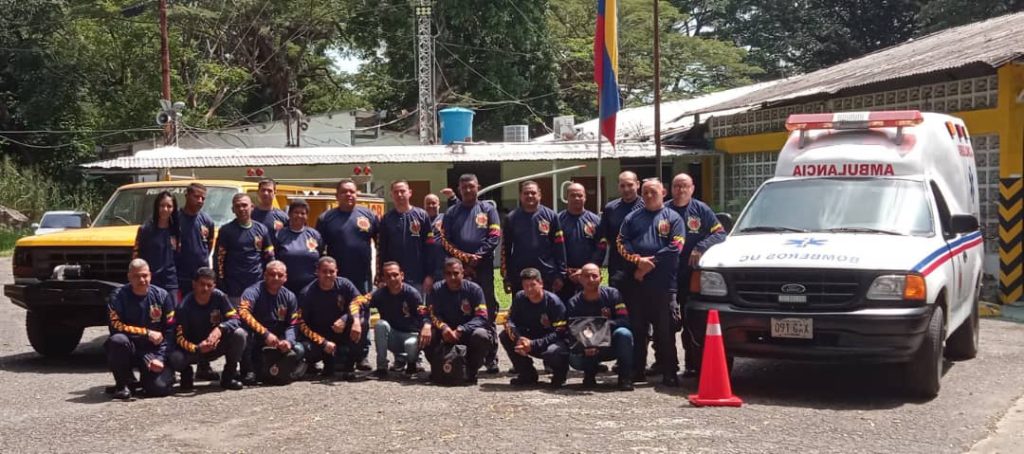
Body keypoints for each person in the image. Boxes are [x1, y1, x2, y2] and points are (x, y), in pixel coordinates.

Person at [617, 178, 685, 387]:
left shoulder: (673, 218)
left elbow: (677, 246)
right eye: (645, 192)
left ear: (663, 192)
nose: (648, 195)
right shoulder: (632, 218)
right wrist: (638, 262)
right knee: (637, 330)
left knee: (664, 332)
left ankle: (669, 372)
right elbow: (621, 243)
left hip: (662, 285)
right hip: (636, 283)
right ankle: (637, 371)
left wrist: (651, 263)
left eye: (652, 191)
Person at [438, 174, 502, 373]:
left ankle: (491, 357)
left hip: (482, 269)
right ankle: (458, 354)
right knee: (460, 308)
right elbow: (445, 240)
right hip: (459, 270)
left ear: (478, 187)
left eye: (471, 186)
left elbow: (494, 235)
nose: (467, 190)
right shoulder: (451, 213)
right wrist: (463, 262)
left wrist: (478, 257)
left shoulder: (488, 210)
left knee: (487, 310)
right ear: (459, 188)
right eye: (463, 187)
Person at [667, 173, 726, 377]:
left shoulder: (701, 209)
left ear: (692, 188)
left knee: (692, 322)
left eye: (685, 186)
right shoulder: (664, 210)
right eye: (676, 186)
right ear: (671, 188)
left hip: (692, 277)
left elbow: (719, 233)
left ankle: (692, 364)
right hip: (669, 276)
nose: (680, 190)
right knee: (667, 323)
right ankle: (666, 365)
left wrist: (701, 247)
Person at [318, 178, 378, 370]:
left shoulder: (368, 215)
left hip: (362, 276)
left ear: (357, 194)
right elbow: (319, 251)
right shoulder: (326, 218)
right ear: (337, 195)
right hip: (335, 278)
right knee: (337, 314)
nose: (349, 195)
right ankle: (340, 354)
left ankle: (362, 355)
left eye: (352, 191)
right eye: (344, 192)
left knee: (362, 315)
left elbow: (380, 244)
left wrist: (379, 271)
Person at [104, 259, 176, 400]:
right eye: (136, 276)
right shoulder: (117, 296)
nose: (142, 280)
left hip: (153, 351)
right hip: (130, 347)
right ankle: (122, 385)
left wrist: (161, 358)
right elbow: (115, 326)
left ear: (150, 275)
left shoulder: (162, 296)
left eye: (145, 275)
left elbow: (170, 330)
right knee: (117, 341)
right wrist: (146, 333)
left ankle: (149, 380)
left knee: (158, 389)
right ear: (129, 277)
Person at [168, 267, 246, 391]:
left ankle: (228, 376)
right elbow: (179, 338)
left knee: (240, 334)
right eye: (202, 284)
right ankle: (186, 374)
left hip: (215, 345)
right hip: (194, 349)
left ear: (214, 286)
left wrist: (220, 329)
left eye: (209, 285)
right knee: (175, 357)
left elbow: (235, 319)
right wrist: (198, 348)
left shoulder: (220, 297)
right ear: (194, 284)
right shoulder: (184, 307)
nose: (205, 289)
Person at [174, 182, 219, 381]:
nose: (200, 201)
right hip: (181, 279)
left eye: (203, 198)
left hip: (202, 281)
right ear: (187, 195)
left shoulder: (207, 221)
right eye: (196, 197)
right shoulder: (175, 219)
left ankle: (204, 363)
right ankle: (182, 366)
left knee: (204, 320)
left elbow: (208, 248)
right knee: (182, 321)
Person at [297, 256, 368, 381]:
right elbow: (301, 324)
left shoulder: (345, 284)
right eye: (324, 271)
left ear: (337, 271)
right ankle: (322, 363)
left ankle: (349, 367)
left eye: (332, 271)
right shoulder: (307, 293)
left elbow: (359, 302)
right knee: (306, 349)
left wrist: (350, 319)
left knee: (362, 323)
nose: (328, 275)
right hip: (319, 336)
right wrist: (322, 342)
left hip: (341, 331)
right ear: (317, 272)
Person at [565, 263, 633, 390]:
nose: (590, 280)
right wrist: (584, 347)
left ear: (601, 279)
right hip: (585, 349)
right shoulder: (573, 303)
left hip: (609, 346)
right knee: (574, 356)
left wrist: (605, 323)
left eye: (594, 276)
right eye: (586, 276)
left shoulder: (613, 295)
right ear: (580, 279)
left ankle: (625, 378)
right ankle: (589, 375)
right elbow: (571, 332)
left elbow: (624, 321)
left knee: (624, 333)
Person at [425, 258, 493, 385]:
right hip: (445, 333)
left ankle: (470, 371)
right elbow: (433, 314)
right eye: (448, 273)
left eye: (456, 273)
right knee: (427, 333)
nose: (452, 277)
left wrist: (462, 329)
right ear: (444, 275)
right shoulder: (437, 289)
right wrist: (444, 327)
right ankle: (439, 368)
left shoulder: (474, 289)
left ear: (463, 273)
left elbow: (482, 317)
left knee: (481, 335)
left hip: (467, 333)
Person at [237, 261, 305, 385]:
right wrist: (265, 334)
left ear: (285, 278)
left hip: (278, 340)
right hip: (256, 338)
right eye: (272, 274)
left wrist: (288, 341)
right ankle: (249, 371)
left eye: (280, 275)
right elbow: (243, 312)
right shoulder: (252, 292)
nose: (276, 278)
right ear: (265, 275)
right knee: (242, 335)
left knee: (299, 349)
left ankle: (284, 370)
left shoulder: (290, 297)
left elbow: (293, 324)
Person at [500, 268, 570, 388]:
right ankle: (527, 374)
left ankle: (560, 375)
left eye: (533, 285)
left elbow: (560, 333)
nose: (529, 289)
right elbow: (510, 321)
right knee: (505, 336)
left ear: (541, 284)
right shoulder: (519, 298)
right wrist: (519, 338)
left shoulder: (554, 302)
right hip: (528, 339)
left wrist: (533, 344)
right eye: (525, 286)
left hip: (550, 341)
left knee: (554, 351)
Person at [501, 181, 567, 296]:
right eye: (526, 193)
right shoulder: (511, 218)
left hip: (546, 274)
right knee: (522, 309)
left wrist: (560, 274)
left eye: (533, 193)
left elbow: (559, 247)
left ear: (539, 195)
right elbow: (505, 249)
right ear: (520, 196)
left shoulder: (551, 216)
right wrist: (507, 276)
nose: (530, 196)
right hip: (520, 275)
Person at [367, 262, 431, 378]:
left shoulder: (412, 293)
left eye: (395, 275)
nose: (392, 279)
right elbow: (362, 303)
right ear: (383, 278)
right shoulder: (379, 294)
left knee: (410, 344)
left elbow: (424, 314)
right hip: (393, 336)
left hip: (410, 335)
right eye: (388, 276)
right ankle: (381, 368)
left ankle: (412, 365)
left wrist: (426, 326)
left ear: (402, 275)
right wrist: (355, 319)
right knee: (380, 325)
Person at [213, 193, 274, 303]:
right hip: (234, 289)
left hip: (257, 287)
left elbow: (269, 257)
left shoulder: (262, 229)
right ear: (233, 209)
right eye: (237, 206)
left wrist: (269, 280)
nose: (241, 209)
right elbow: (218, 259)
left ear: (252, 207)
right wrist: (221, 283)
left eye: (244, 205)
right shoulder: (226, 231)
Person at [379, 180, 435, 294]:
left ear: (409, 193)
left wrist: (430, 275)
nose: (399, 194)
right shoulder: (386, 219)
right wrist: (381, 276)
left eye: (402, 191)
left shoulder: (422, 216)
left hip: (418, 277)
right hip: (393, 278)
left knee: (418, 310)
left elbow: (430, 247)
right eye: (396, 192)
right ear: (391, 195)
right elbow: (382, 250)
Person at [557, 183, 605, 302]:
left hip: (589, 277)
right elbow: (552, 248)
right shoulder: (557, 221)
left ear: (585, 197)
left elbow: (601, 248)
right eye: (573, 195)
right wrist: (565, 271)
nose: (576, 198)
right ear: (566, 198)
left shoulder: (596, 221)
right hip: (564, 277)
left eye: (580, 195)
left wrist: (584, 271)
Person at [597, 171, 643, 289]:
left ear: (637, 184)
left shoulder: (646, 206)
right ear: (618, 187)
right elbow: (603, 238)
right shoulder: (610, 208)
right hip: (617, 267)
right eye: (622, 186)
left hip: (641, 266)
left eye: (630, 185)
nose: (626, 189)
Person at [132, 190, 179, 297]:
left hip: (171, 283)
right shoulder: (145, 230)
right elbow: (136, 256)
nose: (165, 209)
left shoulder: (176, 229)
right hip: (151, 282)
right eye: (162, 205)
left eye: (169, 206)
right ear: (156, 207)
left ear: (173, 208)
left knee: (172, 313)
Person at [274, 199, 323, 294]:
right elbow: (274, 258)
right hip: (286, 287)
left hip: (311, 288)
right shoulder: (280, 235)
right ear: (289, 214)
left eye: (303, 213)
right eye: (296, 212)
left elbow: (320, 254)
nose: (299, 216)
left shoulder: (314, 235)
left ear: (307, 216)